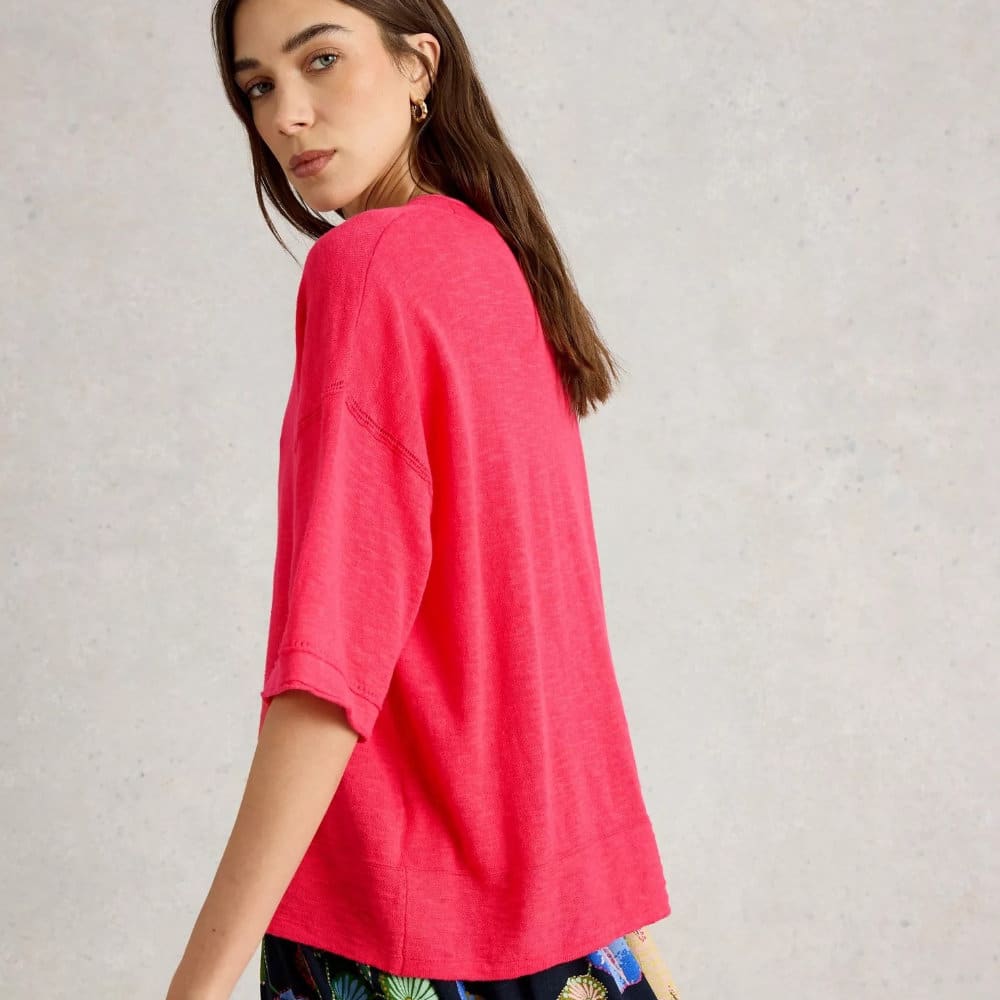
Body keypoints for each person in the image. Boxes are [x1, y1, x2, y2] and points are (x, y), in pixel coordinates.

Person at [165, 2, 683, 999]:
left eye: (321, 59)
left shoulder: (367, 266)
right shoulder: (494, 262)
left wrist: (195, 986)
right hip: (579, 933)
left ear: (419, 65)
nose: (286, 115)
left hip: (409, 937)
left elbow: (328, 679)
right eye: (258, 86)